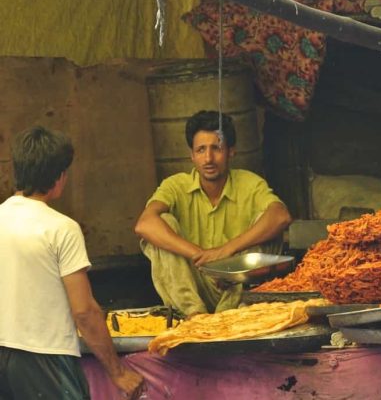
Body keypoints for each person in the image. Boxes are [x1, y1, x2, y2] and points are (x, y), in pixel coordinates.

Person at [0, 126, 145, 399]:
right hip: (47, 360)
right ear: (59, 177)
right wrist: (118, 372)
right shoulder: (61, 229)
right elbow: (84, 312)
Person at [135, 110, 292, 318]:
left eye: (216, 148)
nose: (208, 158)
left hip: (237, 289)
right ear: (191, 155)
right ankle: (195, 316)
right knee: (162, 223)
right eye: (200, 150)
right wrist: (199, 254)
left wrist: (226, 250)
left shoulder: (250, 183)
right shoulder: (175, 185)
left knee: (266, 226)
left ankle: (228, 316)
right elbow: (144, 224)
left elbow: (281, 216)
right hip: (194, 282)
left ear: (231, 151)